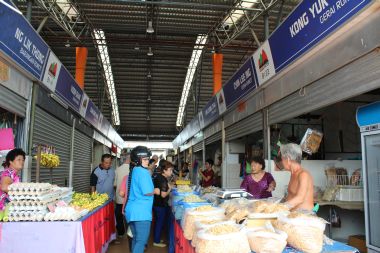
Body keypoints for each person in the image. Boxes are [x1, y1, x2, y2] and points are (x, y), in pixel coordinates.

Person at [125, 146, 160, 253]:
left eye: (147, 159)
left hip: (132, 211)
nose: (147, 161)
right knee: (141, 241)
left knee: (136, 239)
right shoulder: (143, 172)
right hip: (141, 213)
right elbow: (147, 191)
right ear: (138, 160)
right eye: (145, 159)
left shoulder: (135, 170)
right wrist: (156, 190)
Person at [280, 143, 314, 211]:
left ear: (288, 159)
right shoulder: (293, 174)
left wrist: (280, 208)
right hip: (294, 215)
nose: (282, 162)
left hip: (305, 216)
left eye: (282, 159)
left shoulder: (303, 174)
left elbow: (300, 198)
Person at [153, 161, 173, 248]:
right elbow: (163, 194)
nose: (171, 172)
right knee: (159, 223)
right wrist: (170, 189)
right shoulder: (163, 180)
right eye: (170, 170)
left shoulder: (160, 177)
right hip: (160, 205)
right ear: (164, 171)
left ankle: (156, 238)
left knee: (158, 222)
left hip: (157, 204)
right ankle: (156, 241)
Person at [114, 154, 130, 238]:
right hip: (129, 199)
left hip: (119, 197)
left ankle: (120, 233)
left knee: (119, 216)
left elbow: (115, 184)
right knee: (128, 216)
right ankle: (129, 232)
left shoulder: (117, 169)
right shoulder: (133, 170)